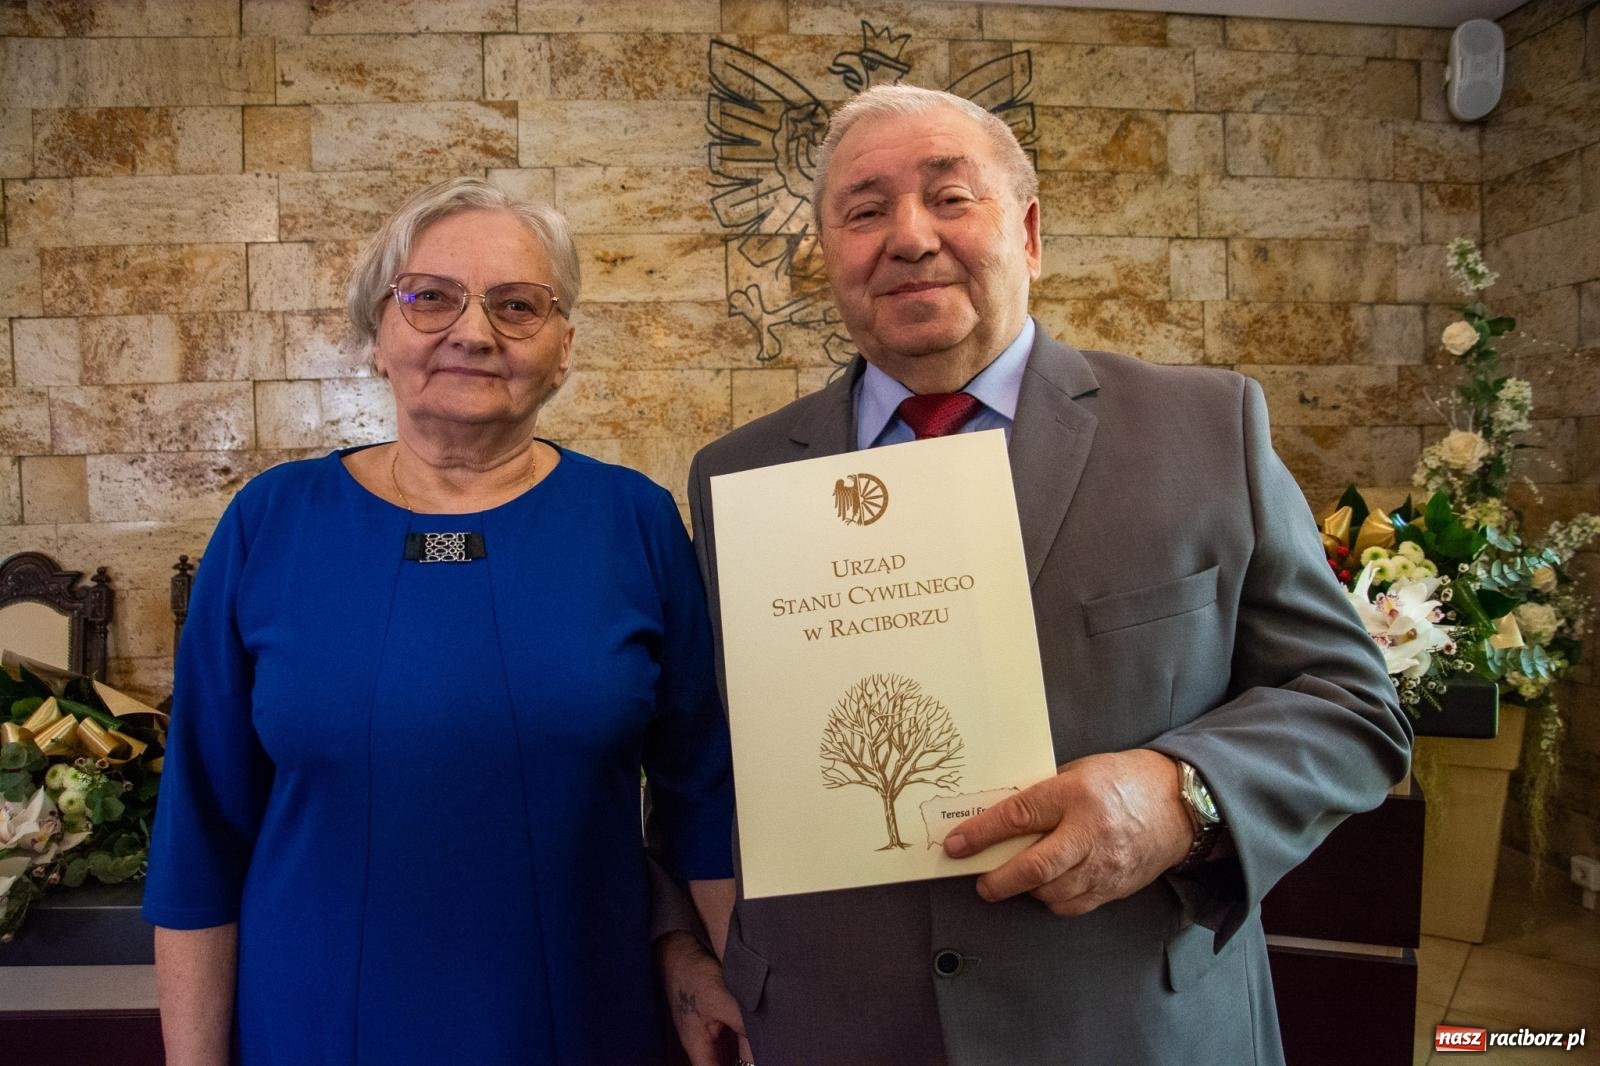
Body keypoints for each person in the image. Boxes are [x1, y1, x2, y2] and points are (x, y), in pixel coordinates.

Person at [657, 85, 1411, 1065]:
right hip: (825, 1024)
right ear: (828, 256)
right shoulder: (737, 474)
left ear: (1031, 231)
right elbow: (694, 747)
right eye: (864, 209)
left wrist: (1185, 794)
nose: (909, 237)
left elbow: (1351, 704)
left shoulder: (1205, 429)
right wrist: (681, 943)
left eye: (949, 196)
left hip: (1128, 1023)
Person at [143, 177, 735, 1065]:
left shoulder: (635, 523)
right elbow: (199, 830)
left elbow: (705, 799)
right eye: (429, 298)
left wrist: (731, 976)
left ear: (564, 346)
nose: (473, 331)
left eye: (517, 305)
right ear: (378, 335)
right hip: (313, 1025)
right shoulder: (271, 524)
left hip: (582, 1017)